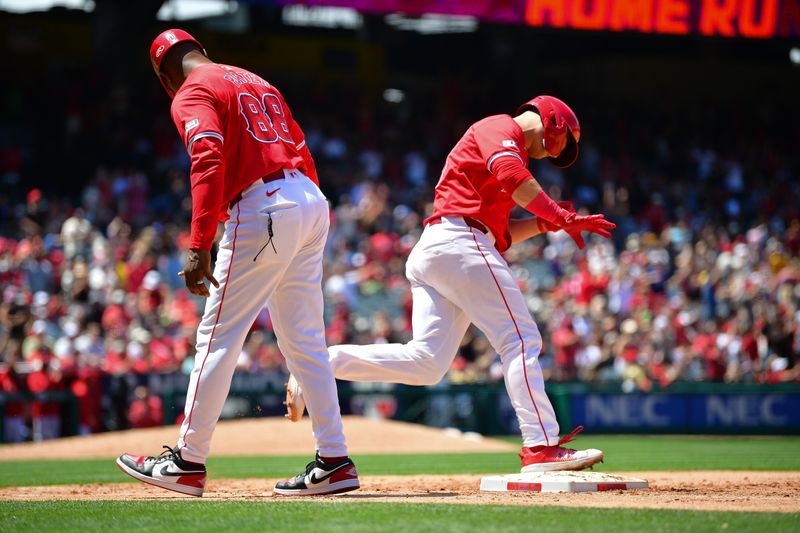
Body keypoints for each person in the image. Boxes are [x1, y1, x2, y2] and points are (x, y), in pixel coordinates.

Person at [286, 96, 615, 472]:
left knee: (426, 362)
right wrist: (558, 214)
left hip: (445, 246)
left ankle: (321, 363)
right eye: (561, 144)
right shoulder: (499, 127)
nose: (552, 155)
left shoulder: (511, 152)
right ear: (553, 121)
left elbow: (500, 231)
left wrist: (548, 223)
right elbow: (511, 178)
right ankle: (541, 446)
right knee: (521, 340)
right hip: (459, 243)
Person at [116, 29, 358, 497]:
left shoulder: (192, 91)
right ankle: (334, 459)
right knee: (305, 339)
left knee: (219, 333)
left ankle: (187, 460)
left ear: (164, 74)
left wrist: (199, 241)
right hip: (309, 197)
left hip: (264, 203)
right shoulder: (254, 79)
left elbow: (207, 157)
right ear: (200, 49)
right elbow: (301, 148)